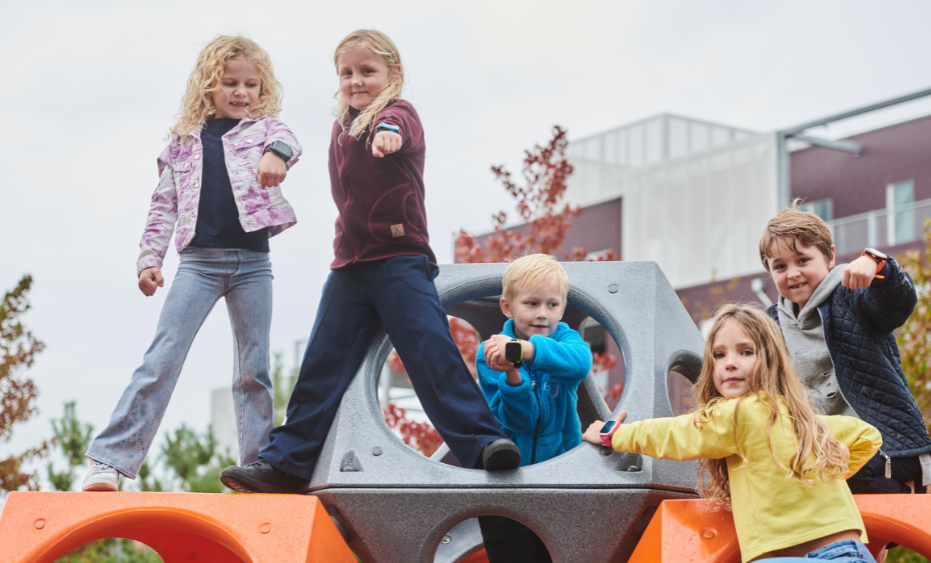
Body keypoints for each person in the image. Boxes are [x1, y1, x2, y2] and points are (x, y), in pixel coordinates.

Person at [220, 29, 520, 495]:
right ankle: (286, 462)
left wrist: (388, 134)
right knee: (321, 361)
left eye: (367, 72)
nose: (356, 81)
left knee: (428, 349)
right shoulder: (341, 126)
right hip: (350, 266)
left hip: (400, 259)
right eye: (347, 73)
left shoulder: (398, 113)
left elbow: (399, 127)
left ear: (392, 75)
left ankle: (485, 442)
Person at [82, 35, 301, 492]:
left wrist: (276, 155)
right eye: (230, 83)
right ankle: (109, 461)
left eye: (251, 85)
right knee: (161, 358)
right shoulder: (183, 144)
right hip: (197, 265)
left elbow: (288, 139)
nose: (241, 92)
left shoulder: (266, 131)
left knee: (253, 369)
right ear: (208, 85)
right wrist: (149, 260)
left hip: (253, 265)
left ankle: (258, 468)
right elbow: (162, 206)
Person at [583, 304, 882, 562]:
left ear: (771, 360)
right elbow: (866, 436)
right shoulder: (806, 421)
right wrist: (823, 470)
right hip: (852, 553)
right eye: (719, 355)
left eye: (746, 352)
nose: (731, 364)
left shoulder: (739, 413)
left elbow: (676, 434)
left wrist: (613, 434)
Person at [758, 204, 931, 495]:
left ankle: (907, 490)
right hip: (821, 450)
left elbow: (898, 303)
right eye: (780, 266)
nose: (792, 273)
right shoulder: (770, 324)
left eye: (803, 260)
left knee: (833, 471)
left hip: (885, 447)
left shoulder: (851, 295)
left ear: (829, 257)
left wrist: (879, 266)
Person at [475, 254, 593, 562]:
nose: (543, 314)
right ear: (508, 307)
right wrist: (512, 372)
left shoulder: (567, 339)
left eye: (552, 305)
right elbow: (521, 420)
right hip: (506, 479)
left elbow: (580, 363)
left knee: (557, 553)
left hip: (561, 472)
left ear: (562, 308)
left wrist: (526, 350)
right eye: (531, 304)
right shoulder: (491, 353)